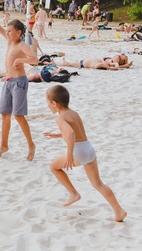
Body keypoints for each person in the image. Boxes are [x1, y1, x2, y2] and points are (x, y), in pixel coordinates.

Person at [43, 85, 127, 222]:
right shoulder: (73, 113)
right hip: (89, 149)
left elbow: (70, 133)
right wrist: (58, 135)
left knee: (54, 167)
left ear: (54, 103)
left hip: (78, 152)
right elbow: (74, 131)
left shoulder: (60, 118)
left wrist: (69, 154)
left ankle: (73, 193)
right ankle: (119, 211)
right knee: (98, 184)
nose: (47, 106)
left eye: (47, 103)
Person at [0, 20, 38, 161]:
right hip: (8, 82)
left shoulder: (21, 45)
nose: (7, 33)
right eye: (7, 31)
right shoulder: (10, 42)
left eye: (10, 31)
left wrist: (21, 60)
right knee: (4, 115)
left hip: (19, 82)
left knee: (18, 116)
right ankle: (4, 145)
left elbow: (35, 59)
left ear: (18, 33)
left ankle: (31, 145)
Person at [54, 56, 120, 70]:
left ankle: (56, 64)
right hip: (82, 61)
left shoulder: (97, 65)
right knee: (68, 63)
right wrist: (116, 66)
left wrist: (110, 68)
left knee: (68, 64)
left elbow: (101, 64)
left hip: (81, 64)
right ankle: (62, 62)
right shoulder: (105, 63)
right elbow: (116, 63)